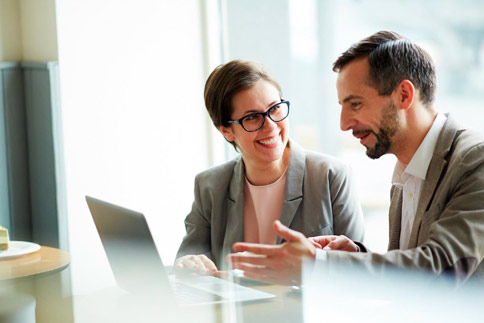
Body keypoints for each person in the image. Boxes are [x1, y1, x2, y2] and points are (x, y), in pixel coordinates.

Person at [228, 31, 484, 285]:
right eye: (342, 106)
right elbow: (409, 277)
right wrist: (356, 257)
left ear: (404, 95)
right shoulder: (406, 170)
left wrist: (320, 265)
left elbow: (441, 270)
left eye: (356, 104)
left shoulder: (475, 160)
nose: (344, 123)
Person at [175, 59, 365, 276]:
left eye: (274, 109)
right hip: (238, 309)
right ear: (226, 131)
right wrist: (190, 264)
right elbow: (188, 260)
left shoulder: (330, 175)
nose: (271, 126)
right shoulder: (209, 185)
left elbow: (359, 267)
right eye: (253, 117)